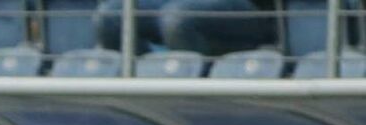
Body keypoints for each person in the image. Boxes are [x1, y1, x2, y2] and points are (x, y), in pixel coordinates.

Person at [94, 0, 277, 58]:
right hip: (172, 4)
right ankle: (143, 79)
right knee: (111, 16)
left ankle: (191, 97)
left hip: (247, 9)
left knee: (176, 18)